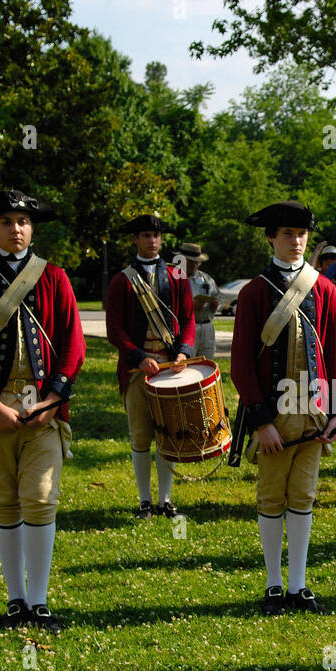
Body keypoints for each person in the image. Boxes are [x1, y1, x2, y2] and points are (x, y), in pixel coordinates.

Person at [0, 189, 85, 630]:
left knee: (41, 500)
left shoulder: (54, 277)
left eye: (23, 222)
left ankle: (39, 600)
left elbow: (72, 342)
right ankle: (15, 599)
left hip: (43, 411)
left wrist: (54, 398)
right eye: (6, 222)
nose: (16, 229)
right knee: (4, 503)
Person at [231, 201, 336, 615]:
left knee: (304, 494)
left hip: (313, 411)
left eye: (301, 234)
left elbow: (333, 354)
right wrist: (261, 421)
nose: (295, 242)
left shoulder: (326, 289)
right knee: (271, 496)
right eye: (286, 234)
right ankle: (274, 584)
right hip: (273, 414)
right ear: (271, 238)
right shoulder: (254, 292)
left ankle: (298, 584)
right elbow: (241, 363)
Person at [104, 214, 195, 520]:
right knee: (141, 436)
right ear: (135, 240)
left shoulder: (176, 275)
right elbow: (114, 329)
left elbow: (188, 320)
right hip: (137, 370)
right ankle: (145, 500)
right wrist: (139, 357)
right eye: (145, 235)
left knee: (169, 436)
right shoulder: (121, 280)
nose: (152, 240)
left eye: (156, 235)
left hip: (170, 369)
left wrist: (183, 352)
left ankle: (165, 499)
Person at [179, 242, 219, 361]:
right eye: (192, 261)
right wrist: (191, 306)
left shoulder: (206, 278)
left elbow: (218, 296)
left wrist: (215, 305)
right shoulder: (175, 277)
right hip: (187, 327)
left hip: (207, 326)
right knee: (188, 364)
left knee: (207, 363)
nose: (196, 265)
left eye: (197, 262)